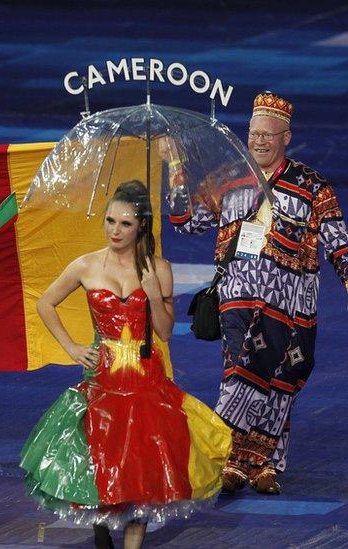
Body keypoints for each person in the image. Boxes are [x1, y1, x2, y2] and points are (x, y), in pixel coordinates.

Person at [20, 181, 231, 549]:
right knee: (98, 467)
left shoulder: (158, 269)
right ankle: (102, 539)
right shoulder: (85, 265)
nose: (114, 230)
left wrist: (153, 294)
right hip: (103, 381)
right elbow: (45, 303)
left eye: (125, 224)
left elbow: (164, 332)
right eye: (110, 221)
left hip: (147, 384)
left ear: (141, 227)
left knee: (140, 475)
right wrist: (70, 346)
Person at [168, 92, 348, 494]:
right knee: (243, 373)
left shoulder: (313, 186)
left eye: (268, 135)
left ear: (286, 136)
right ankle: (216, 456)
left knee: (283, 378)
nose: (259, 142)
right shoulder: (229, 178)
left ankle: (262, 463)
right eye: (253, 134)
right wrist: (174, 167)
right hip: (239, 295)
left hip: (295, 303)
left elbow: (338, 242)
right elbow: (185, 221)